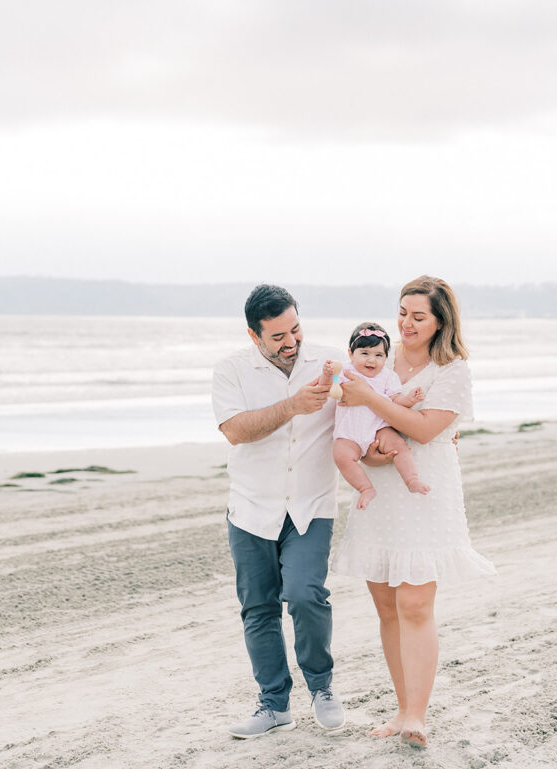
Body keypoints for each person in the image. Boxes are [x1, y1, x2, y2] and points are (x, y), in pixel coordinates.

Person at [331, 275, 497, 749]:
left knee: (416, 604)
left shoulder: (452, 370)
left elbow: (424, 430)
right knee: (386, 606)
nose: (405, 323)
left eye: (418, 316)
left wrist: (374, 402)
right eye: (401, 312)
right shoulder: (378, 357)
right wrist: (363, 452)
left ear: (440, 321)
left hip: (426, 495)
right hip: (379, 493)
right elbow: (352, 417)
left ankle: (417, 717)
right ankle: (402, 708)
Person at [211, 284, 347, 739]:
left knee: (307, 595)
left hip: (312, 507)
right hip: (251, 508)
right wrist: (293, 405)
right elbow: (234, 430)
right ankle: (273, 705)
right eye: (277, 337)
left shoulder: (329, 363)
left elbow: (375, 399)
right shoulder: (231, 371)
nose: (291, 342)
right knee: (259, 609)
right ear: (255, 336)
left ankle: (322, 688)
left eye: (295, 329)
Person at [331, 322, 429, 511]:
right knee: (341, 456)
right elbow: (332, 389)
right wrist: (331, 375)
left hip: (378, 428)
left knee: (399, 446)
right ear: (351, 353)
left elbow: (395, 400)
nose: (371, 360)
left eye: (378, 355)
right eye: (364, 353)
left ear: (386, 357)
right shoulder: (345, 370)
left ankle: (412, 479)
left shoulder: (387, 376)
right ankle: (365, 488)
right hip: (350, 431)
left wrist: (409, 399)